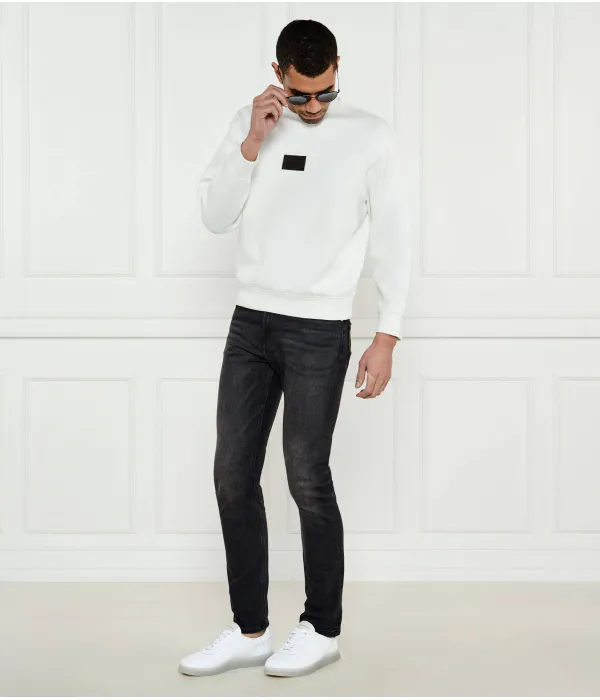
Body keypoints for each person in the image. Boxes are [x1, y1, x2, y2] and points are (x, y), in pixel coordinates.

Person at [178, 18, 412, 679]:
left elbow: (395, 236)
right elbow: (215, 215)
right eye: (302, 95)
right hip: (250, 323)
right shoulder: (253, 123)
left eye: (326, 92)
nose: (313, 107)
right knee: (232, 475)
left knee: (307, 476)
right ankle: (250, 629)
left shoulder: (371, 136)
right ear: (278, 73)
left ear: (337, 68)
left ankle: (322, 628)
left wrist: (387, 332)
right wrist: (253, 141)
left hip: (319, 328)